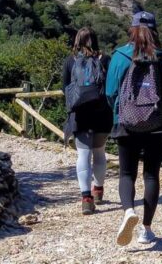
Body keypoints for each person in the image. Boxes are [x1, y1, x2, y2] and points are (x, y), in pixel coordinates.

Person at [105, 10, 162, 246]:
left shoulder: (120, 56)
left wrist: (121, 112)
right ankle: (146, 230)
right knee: (151, 175)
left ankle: (129, 211)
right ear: (154, 30)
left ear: (132, 29)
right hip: (157, 125)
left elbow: (110, 93)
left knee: (126, 173)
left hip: (126, 124)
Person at [62, 28, 113, 215]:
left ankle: (86, 199)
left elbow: (64, 89)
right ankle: (98, 190)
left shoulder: (70, 61)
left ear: (77, 41)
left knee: (83, 155)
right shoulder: (105, 60)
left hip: (79, 115)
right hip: (102, 114)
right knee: (99, 153)